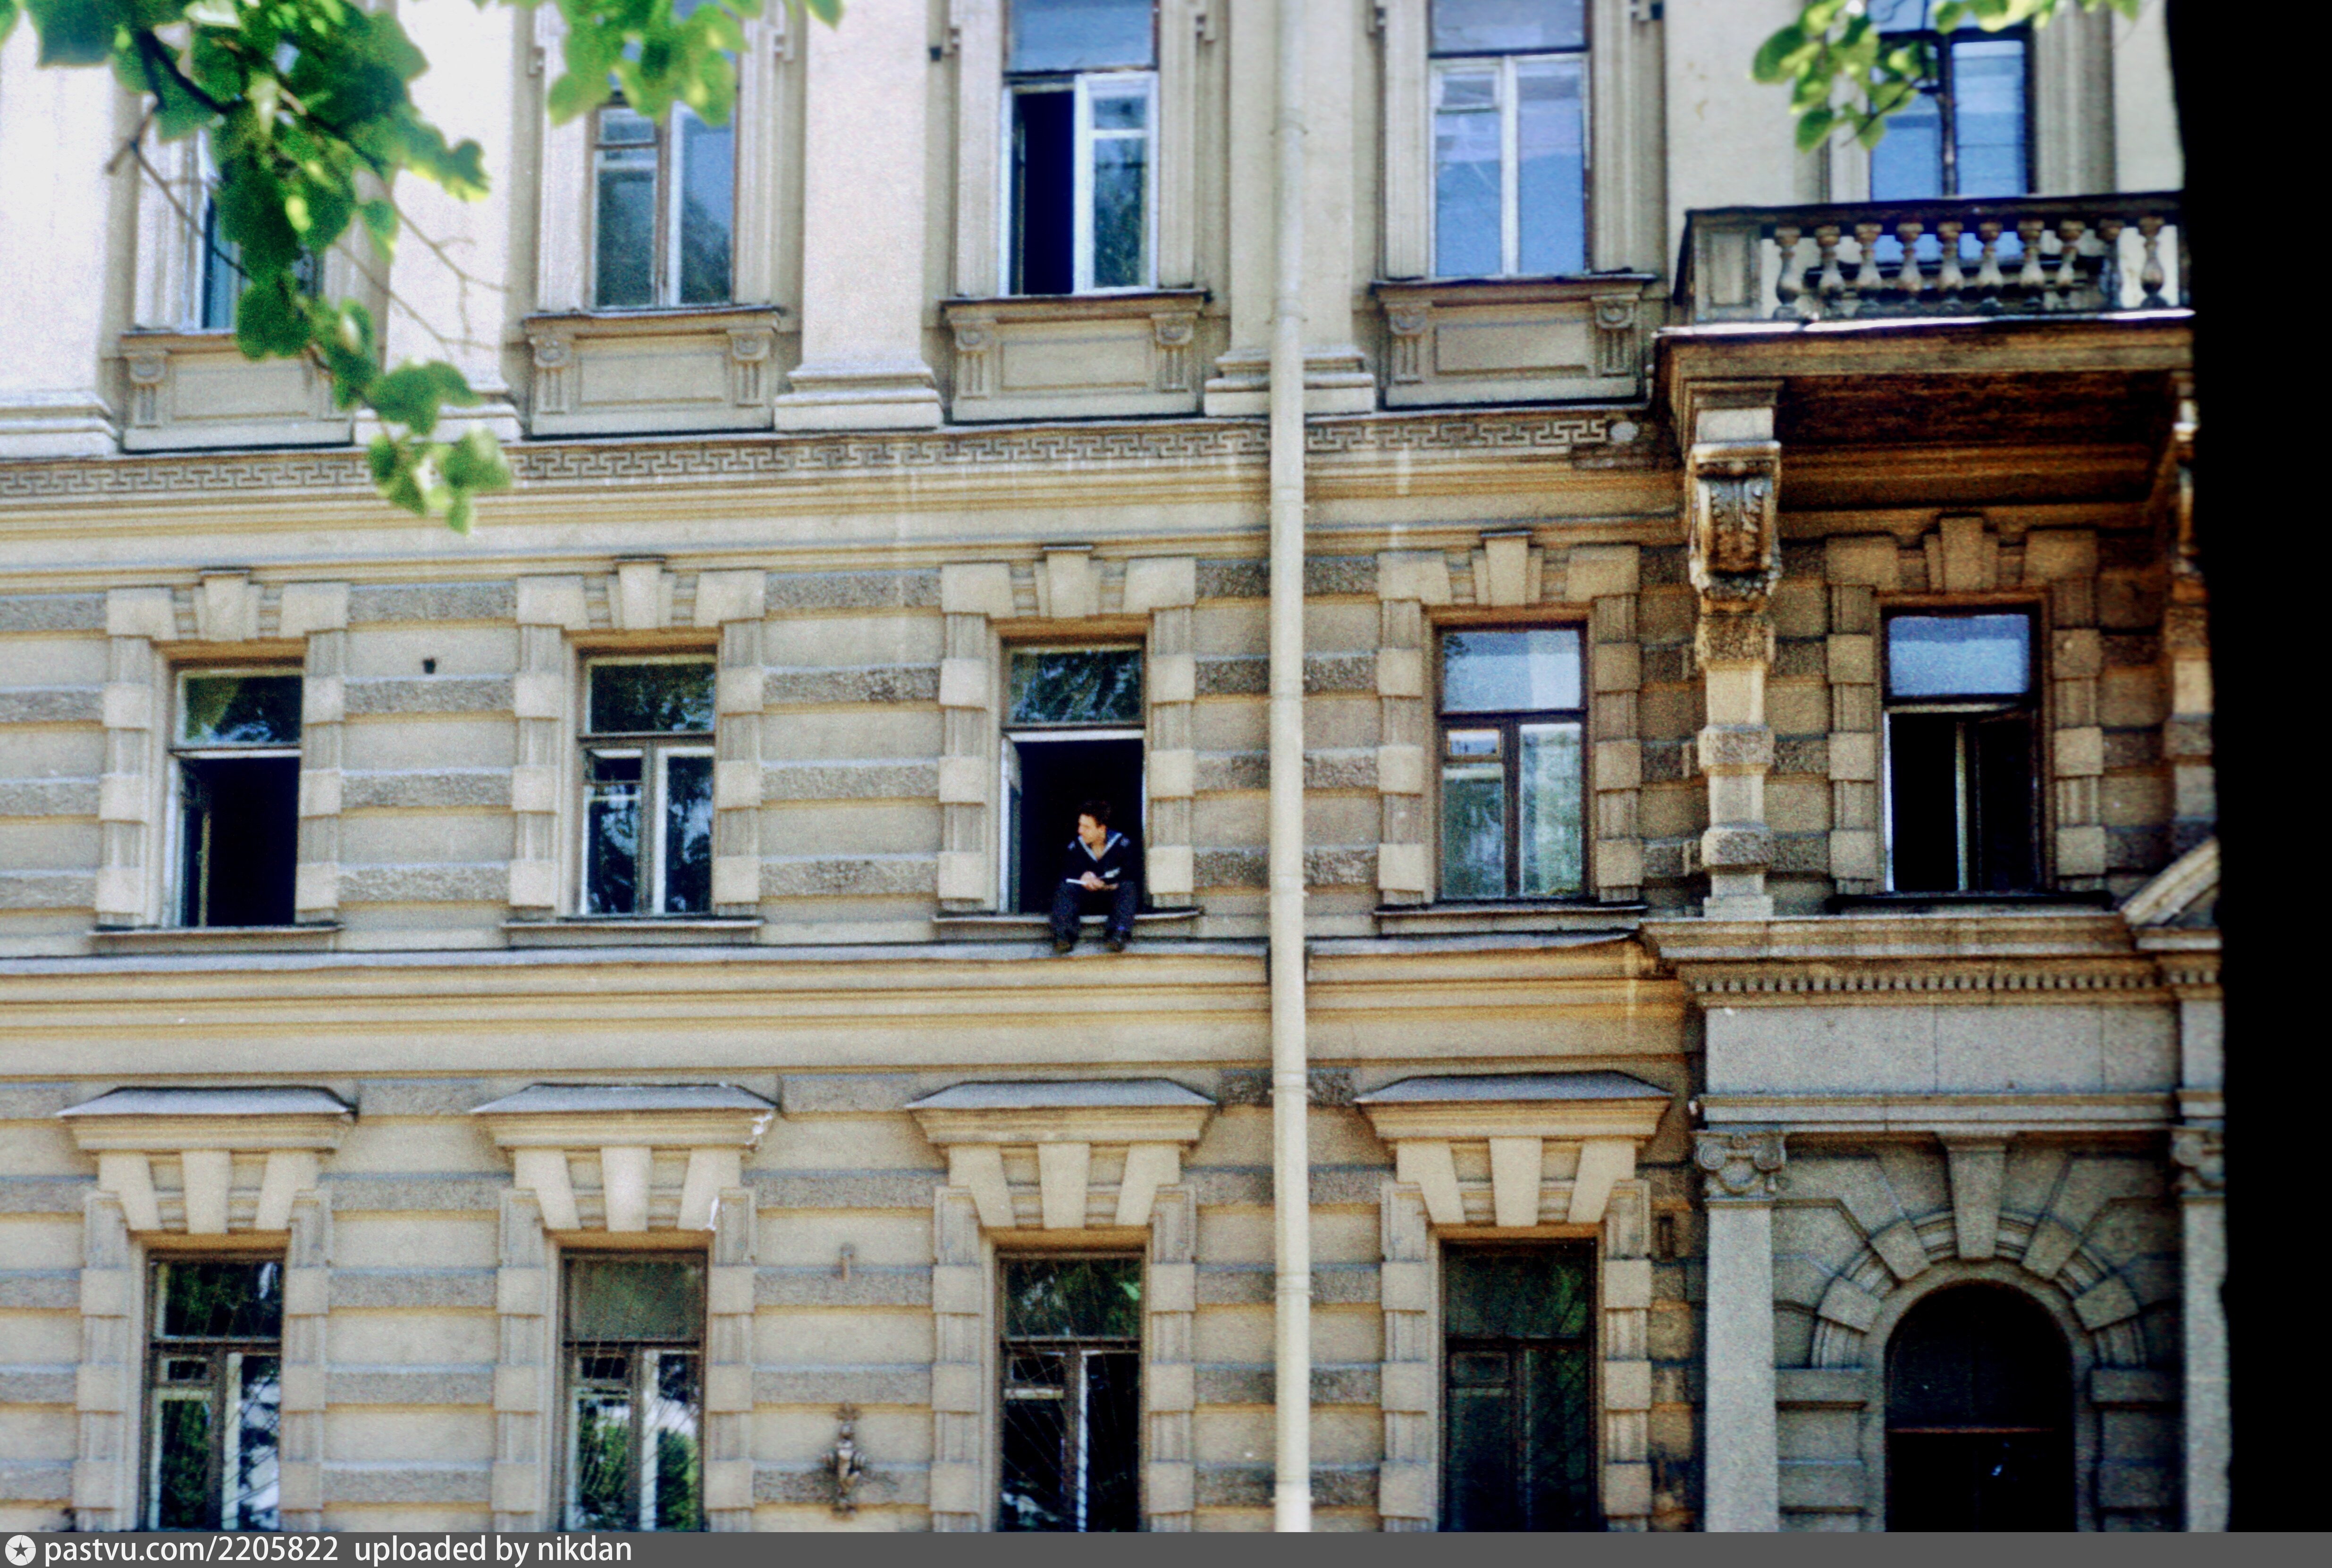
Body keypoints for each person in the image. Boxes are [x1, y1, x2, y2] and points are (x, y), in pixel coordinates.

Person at [1051, 798, 1139, 954]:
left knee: (1128, 888)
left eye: (1086, 827)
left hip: (1112, 899)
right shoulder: (1076, 847)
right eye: (1080, 825)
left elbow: (1131, 874)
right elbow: (1066, 875)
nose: (1080, 831)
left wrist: (1108, 884)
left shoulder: (1122, 845)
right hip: (1085, 900)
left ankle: (1119, 934)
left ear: (1102, 829)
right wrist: (1082, 877)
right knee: (1064, 889)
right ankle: (1063, 936)